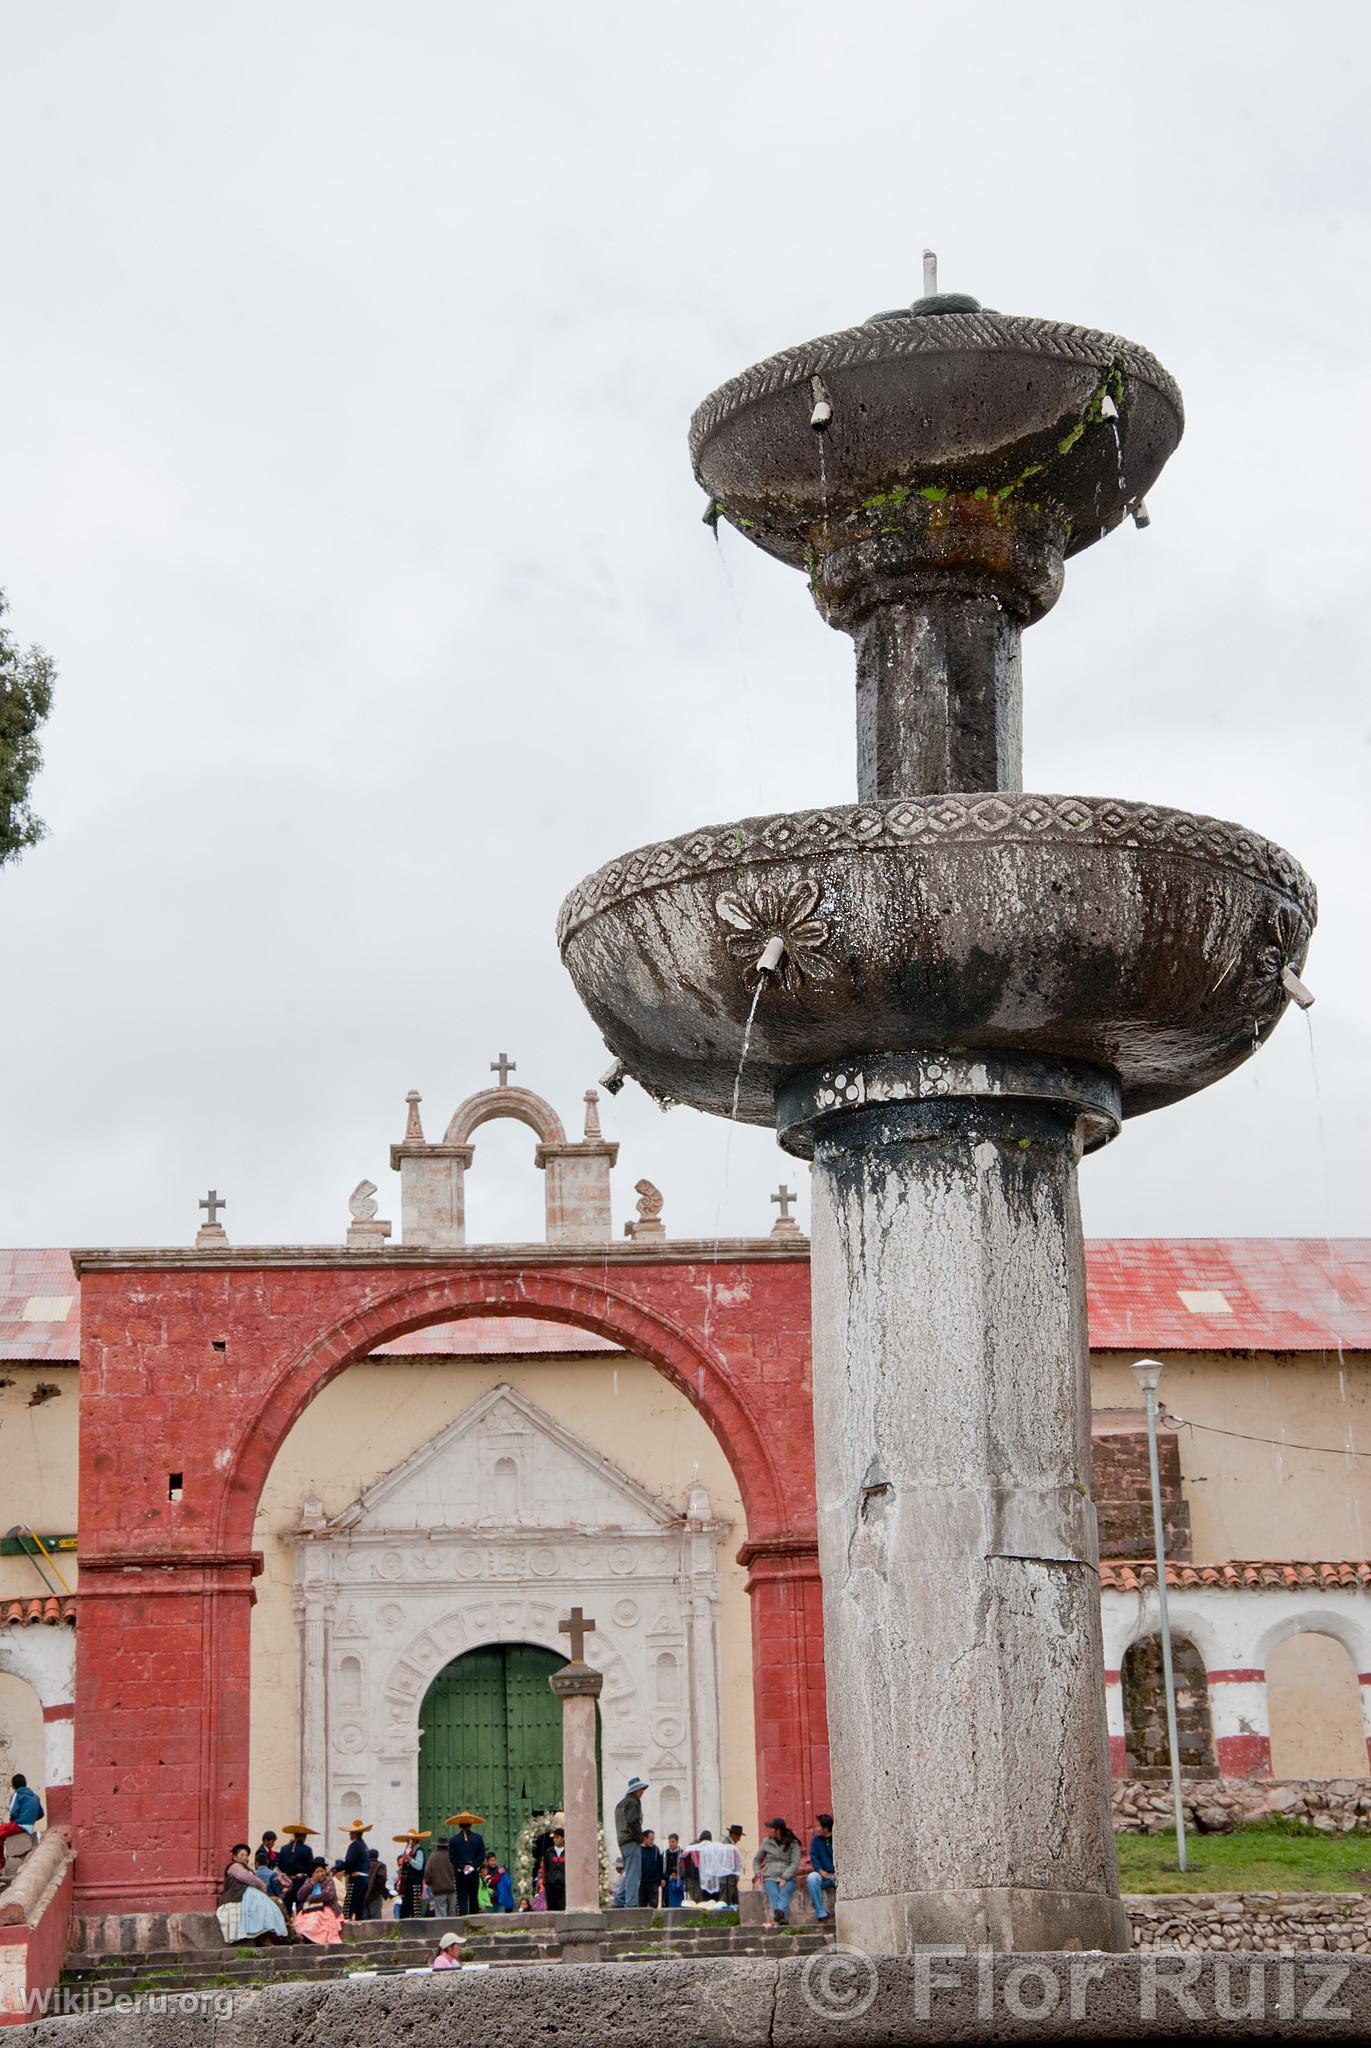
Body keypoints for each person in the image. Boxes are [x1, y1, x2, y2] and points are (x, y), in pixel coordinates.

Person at [218, 1842, 290, 1946]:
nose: (244, 1857)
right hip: (237, 1894)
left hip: (251, 1894)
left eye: (246, 1855)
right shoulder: (234, 1866)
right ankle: (263, 1938)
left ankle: (268, 1935)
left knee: (268, 1907)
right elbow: (243, 1876)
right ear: (234, 1857)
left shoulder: (247, 1868)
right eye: (241, 1855)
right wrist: (260, 1884)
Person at [752, 1818, 801, 1926]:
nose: (769, 1830)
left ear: (778, 1830)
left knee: (784, 1893)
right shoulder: (766, 1842)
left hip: (787, 1876)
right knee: (773, 1893)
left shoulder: (793, 1843)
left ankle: (779, 1914)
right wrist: (757, 1872)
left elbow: (795, 1862)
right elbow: (757, 1859)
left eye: (771, 1828)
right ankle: (781, 1915)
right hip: (770, 1876)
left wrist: (785, 1877)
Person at [613, 1775, 648, 1908]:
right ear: (636, 1791)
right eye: (641, 1790)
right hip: (631, 1841)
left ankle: (619, 1900)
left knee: (628, 1871)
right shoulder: (633, 1802)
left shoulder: (620, 1804)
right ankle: (631, 1903)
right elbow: (633, 1822)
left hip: (622, 1841)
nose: (642, 1793)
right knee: (634, 1873)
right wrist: (640, 1838)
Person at [293, 1859, 344, 1945]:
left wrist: (310, 1897)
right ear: (313, 1873)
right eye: (317, 1871)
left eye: (322, 1871)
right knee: (302, 1919)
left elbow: (327, 1896)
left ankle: (308, 1936)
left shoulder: (329, 1881)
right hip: (309, 1908)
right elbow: (300, 1896)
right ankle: (302, 1936)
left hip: (326, 1908)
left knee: (316, 1918)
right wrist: (312, 1883)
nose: (320, 1873)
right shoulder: (309, 1881)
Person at [445, 1811, 487, 1915]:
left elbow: (452, 1858)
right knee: (473, 1897)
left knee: (462, 1898)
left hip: (460, 1873)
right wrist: (472, 1866)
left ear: (459, 1825)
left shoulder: (453, 1840)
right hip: (474, 1873)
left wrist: (462, 1866)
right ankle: (474, 1921)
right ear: (470, 1824)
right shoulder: (478, 1838)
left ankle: (463, 1921)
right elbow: (482, 1856)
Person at [684, 1829, 736, 1902]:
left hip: (702, 1879)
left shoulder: (703, 1847)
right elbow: (693, 1865)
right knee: (698, 1899)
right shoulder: (693, 1849)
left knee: (704, 1899)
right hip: (694, 1878)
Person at [806, 1813, 837, 1923]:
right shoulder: (816, 1840)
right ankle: (821, 1912)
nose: (816, 1828)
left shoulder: (838, 1839)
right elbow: (814, 1857)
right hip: (824, 1876)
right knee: (812, 1878)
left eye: (818, 1826)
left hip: (838, 1877)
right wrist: (820, 1870)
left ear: (826, 1828)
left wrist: (839, 1873)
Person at [394, 1829, 430, 1917]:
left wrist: (409, 1859)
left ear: (414, 1841)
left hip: (415, 1884)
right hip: (409, 1884)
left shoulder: (419, 1851)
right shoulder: (412, 1852)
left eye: (410, 1840)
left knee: (415, 1908)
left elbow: (419, 1866)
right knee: (405, 1907)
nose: (409, 1843)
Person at [0, 1774, 43, 1846]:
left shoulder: (17, 1794)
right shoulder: (36, 1796)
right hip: (31, 1827)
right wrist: (30, 1818)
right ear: (25, 1784)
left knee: (1, 1832)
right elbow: (41, 1814)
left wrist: (15, 1820)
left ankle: (1, 1857)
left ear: (13, 1786)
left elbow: (12, 1812)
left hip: (20, 1825)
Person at [341, 1820, 372, 1919]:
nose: (350, 1834)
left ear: (355, 1833)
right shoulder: (364, 1845)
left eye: (351, 1832)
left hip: (356, 1878)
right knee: (360, 1905)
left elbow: (349, 1862)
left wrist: (338, 1868)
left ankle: (346, 1925)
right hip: (364, 1878)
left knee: (349, 1905)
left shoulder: (355, 1845)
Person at [537, 1826, 567, 1911]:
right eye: (554, 1837)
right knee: (551, 1907)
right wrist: (546, 1880)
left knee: (563, 1906)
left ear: (563, 1838)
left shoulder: (568, 1851)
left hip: (563, 1884)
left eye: (558, 1837)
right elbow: (545, 1867)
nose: (555, 1839)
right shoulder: (549, 1852)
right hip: (551, 1884)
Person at [426, 1837, 456, 1918]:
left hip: (439, 1889)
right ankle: (451, 1929)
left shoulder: (433, 1857)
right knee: (452, 1912)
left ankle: (442, 1929)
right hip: (452, 1888)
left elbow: (427, 1872)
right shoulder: (452, 1856)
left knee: (441, 1913)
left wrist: (428, 1881)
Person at [720, 1826, 746, 1907]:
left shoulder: (730, 1844)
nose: (739, 1839)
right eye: (739, 1836)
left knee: (736, 1901)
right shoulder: (726, 1845)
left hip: (731, 1878)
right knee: (724, 1901)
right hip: (726, 1879)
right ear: (733, 1834)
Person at [638, 1828, 663, 1908]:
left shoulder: (655, 1850)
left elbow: (660, 1864)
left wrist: (662, 1878)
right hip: (641, 1883)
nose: (652, 1841)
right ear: (644, 1838)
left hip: (653, 1883)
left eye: (653, 1839)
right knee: (641, 1905)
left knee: (654, 1905)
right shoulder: (638, 1850)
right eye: (650, 1839)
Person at [363, 1851, 389, 1922]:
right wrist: (384, 1892)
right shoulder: (381, 1866)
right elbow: (381, 1881)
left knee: (364, 1919)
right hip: (375, 1895)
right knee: (376, 1920)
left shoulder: (363, 1865)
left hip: (363, 1895)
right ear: (377, 1856)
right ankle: (376, 1933)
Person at [662, 1833, 684, 1909]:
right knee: (667, 1900)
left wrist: (679, 1875)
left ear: (677, 1842)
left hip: (678, 1881)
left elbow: (684, 1867)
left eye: (673, 1841)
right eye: (670, 1842)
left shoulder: (682, 1853)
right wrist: (663, 1878)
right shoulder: (665, 1854)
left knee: (678, 1901)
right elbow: (662, 1867)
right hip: (667, 1881)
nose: (671, 1844)